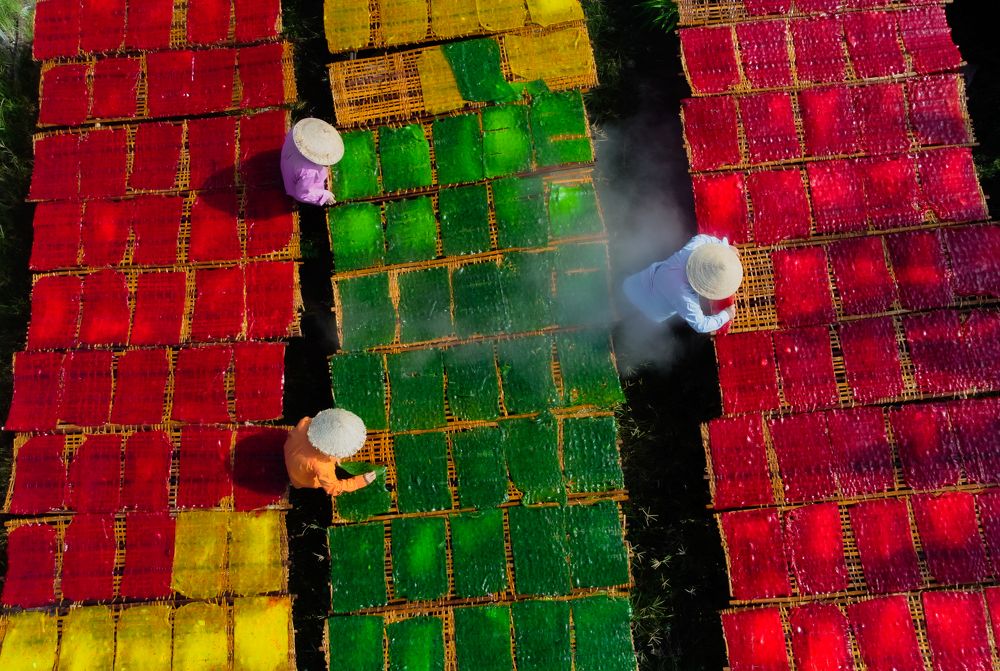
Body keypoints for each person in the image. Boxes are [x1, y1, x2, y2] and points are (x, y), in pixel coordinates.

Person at [622, 234, 743, 334]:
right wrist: (727, 314)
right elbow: (701, 325)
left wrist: (725, 248)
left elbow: (704, 239)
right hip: (646, 313)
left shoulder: (693, 247)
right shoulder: (685, 297)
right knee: (624, 324)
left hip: (631, 285)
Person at [283, 408, 377, 496]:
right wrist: (360, 481)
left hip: (288, 449)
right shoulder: (323, 465)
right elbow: (333, 488)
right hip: (298, 478)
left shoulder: (306, 422)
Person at [280, 117, 345, 206]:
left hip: (286, 160)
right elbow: (302, 194)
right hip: (293, 186)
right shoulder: (310, 172)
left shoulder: (297, 132)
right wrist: (324, 195)